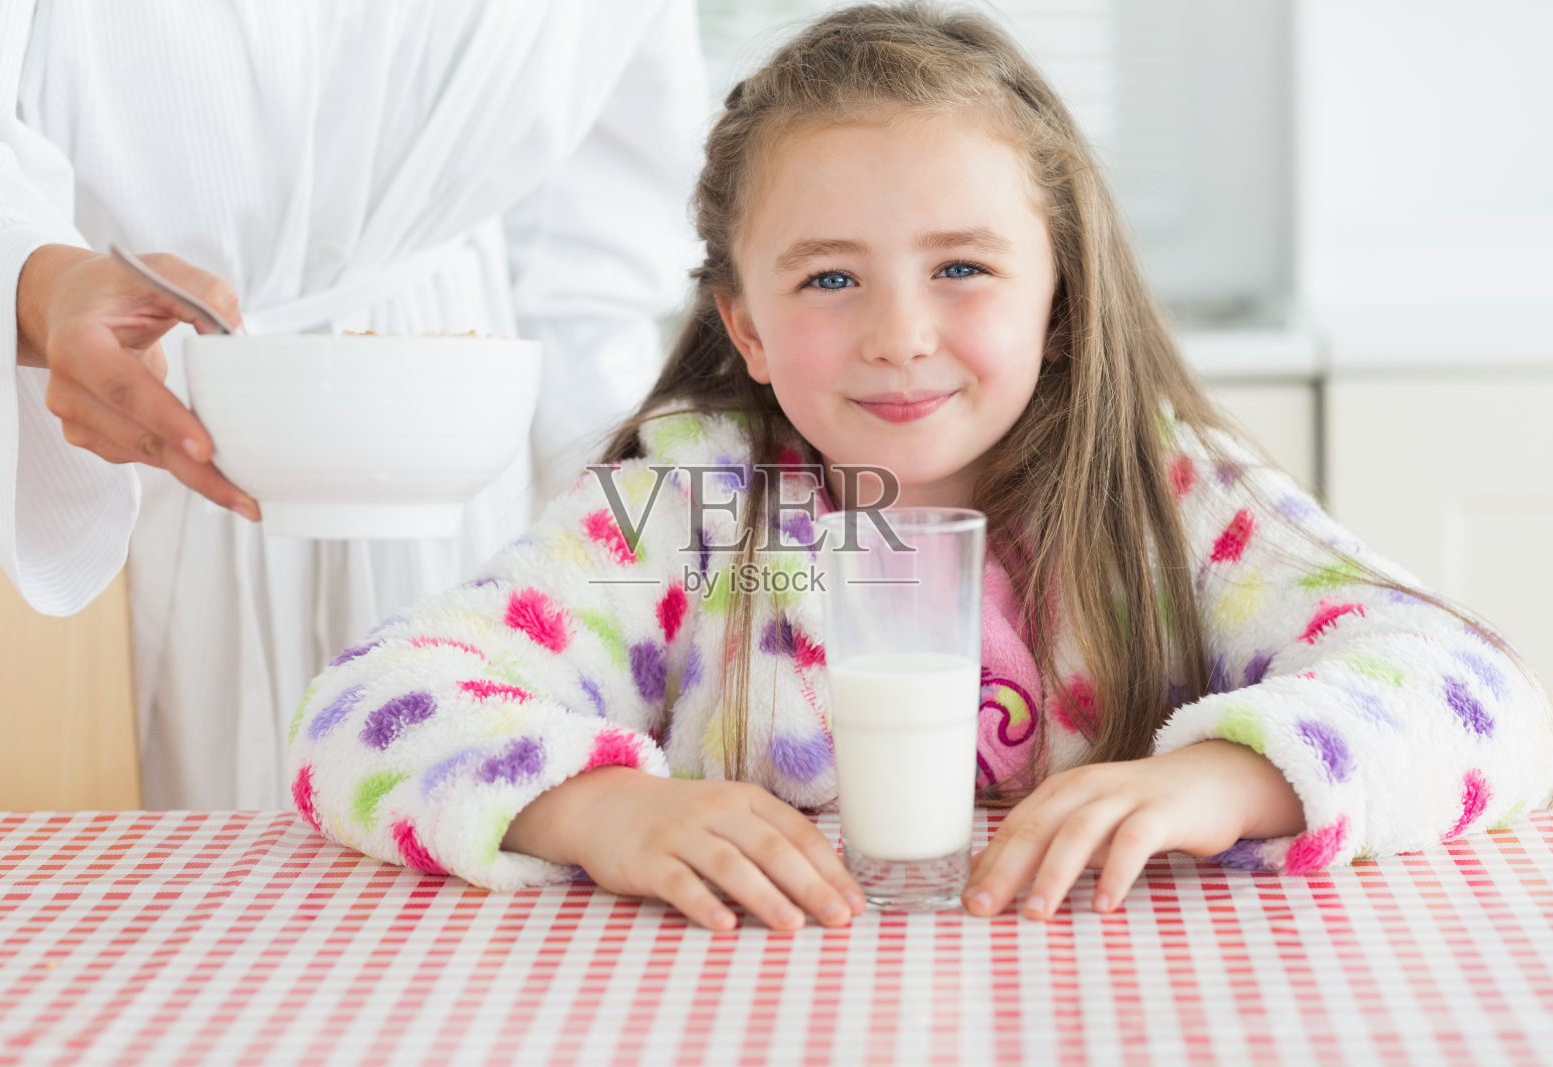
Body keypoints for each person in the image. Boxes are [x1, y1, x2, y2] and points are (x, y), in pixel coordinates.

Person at [286, 3, 1553, 930]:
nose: (899, 333)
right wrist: (601, 808)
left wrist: (1218, 781)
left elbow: (1482, 696)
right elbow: (363, 713)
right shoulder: (685, 507)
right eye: (830, 277)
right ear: (746, 326)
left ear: (1057, 297)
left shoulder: (1169, 497)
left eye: (962, 266)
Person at [0, 1, 706, 808]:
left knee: (458, 864)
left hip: (464, 479)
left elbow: (591, 265)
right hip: (130, 448)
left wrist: (654, 572)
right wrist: (34, 282)